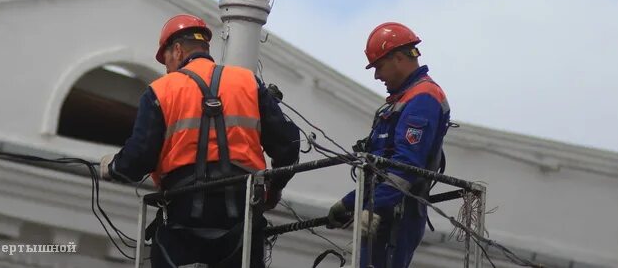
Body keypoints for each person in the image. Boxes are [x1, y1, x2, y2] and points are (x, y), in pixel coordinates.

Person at [100, 14, 300, 268]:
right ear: (204, 48)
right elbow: (289, 145)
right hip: (242, 214)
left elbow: (138, 158)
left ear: (177, 50)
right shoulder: (247, 82)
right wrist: (274, 189)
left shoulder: (162, 90)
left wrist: (113, 167)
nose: (167, 69)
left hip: (184, 218)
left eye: (166, 61)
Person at [326, 22, 450, 268]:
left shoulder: (423, 98)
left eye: (379, 66)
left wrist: (375, 208)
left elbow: (406, 165)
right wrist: (349, 204)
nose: (376, 75)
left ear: (398, 59)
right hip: (384, 209)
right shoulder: (400, 101)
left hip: (397, 213)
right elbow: (381, 168)